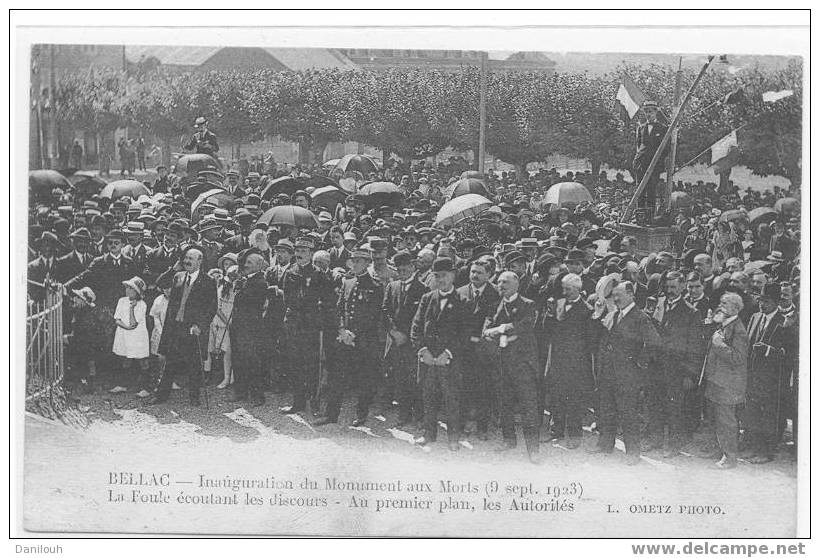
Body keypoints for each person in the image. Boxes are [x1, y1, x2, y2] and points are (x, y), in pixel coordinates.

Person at [588, 281, 660, 465]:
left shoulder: (640, 317)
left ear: (630, 294)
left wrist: (638, 365)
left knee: (629, 414)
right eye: (614, 296)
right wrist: (597, 315)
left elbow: (654, 343)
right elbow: (598, 338)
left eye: (619, 295)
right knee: (607, 411)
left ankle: (632, 452)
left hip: (628, 376)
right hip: (608, 373)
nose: (616, 299)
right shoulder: (612, 314)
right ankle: (605, 444)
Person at [316, 247, 384, 427]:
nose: (354, 264)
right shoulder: (347, 282)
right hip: (344, 338)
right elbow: (339, 309)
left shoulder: (376, 286)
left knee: (364, 380)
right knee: (337, 377)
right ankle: (331, 415)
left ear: (368, 264)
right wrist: (341, 330)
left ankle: (361, 415)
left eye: (359, 261)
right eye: (353, 261)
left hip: (364, 341)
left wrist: (354, 333)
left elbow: (373, 316)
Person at [484, 271, 542, 463]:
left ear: (516, 284)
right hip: (501, 363)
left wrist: (499, 329)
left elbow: (524, 327)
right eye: (499, 282)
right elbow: (485, 331)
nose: (501, 285)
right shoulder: (494, 306)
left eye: (506, 282)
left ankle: (533, 449)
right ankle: (509, 439)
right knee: (504, 405)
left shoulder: (528, 304)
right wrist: (498, 330)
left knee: (528, 406)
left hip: (523, 364)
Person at [411, 257, 468, 451]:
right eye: (437, 276)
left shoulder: (462, 300)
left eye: (444, 275)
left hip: (449, 361)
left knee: (452, 399)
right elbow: (416, 327)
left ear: (453, 276)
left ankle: (453, 438)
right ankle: (429, 435)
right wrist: (422, 350)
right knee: (428, 398)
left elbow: (465, 334)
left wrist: (448, 353)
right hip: (427, 360)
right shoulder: (428, 298)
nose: (440, 279)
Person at [646, 271, 704, 457]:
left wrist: (690, 374)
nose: (670, 291)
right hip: (656, 366)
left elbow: (695, 346)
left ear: (681, 287)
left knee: (675, 409)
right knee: (654, 404)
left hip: (677, 369)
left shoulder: (691, 312)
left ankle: (673, 445)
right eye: (667, 287)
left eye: (673, 287)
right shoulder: (657, 305)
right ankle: (655, 439)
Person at [150, 247, 217, 406]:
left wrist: (200, 325)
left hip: (192, 328)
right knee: (170, 363)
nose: (187, 261)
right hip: (175, 327)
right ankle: (161, 396)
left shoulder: (208, 281)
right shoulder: (178, 277)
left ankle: (194, 398)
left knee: (194, 364)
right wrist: (173, 268)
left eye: (191, 259)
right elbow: (160, 282)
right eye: (185, 258)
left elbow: (211, 307)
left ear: (200, 261)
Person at [279, 237, 336, 415]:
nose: (299, 254)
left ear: (311, 254)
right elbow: (286, 297)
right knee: (294, 364)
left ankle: (314, 402)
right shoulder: (290, 272)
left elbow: (328, 300)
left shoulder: (319, 274)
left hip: (312, 325)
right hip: (295, 324)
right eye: (298, 251)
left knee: (313, 366)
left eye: (304, 251)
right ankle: (298, 402)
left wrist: (319, 317)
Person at [543, 273, 595, 449]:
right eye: (563, 288)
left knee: (574, 400)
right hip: (557, 359)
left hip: (575, 363)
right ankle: (556, 431)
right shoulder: (558, 304)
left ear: (578, 289)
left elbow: (589, 340)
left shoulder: (587, 310)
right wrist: (549, 315)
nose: (564, 292)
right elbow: (547, 329)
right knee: (556, 397)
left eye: (568, 289)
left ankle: (574, 435)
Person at [702, 292, 749, 469]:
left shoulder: (739, 330)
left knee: (726, 422)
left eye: (725, 303)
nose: (720, 306)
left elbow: (738, 358)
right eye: (720, 302)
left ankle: (730, 458)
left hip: (727, 385)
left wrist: (719, 345)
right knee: (717, 419)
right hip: (716, 381)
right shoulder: (723, 325)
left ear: (735, 309)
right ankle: (722, 452)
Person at [742, 282, 788, 464]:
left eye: (767, 301)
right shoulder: (755, 317)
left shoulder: (784, 322)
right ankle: (754, 447)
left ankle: (766, 452)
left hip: (771, 379)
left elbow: (789, 353)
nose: (762, 304)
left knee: (768, 415)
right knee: (751, 412)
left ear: (777, 302)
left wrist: (769, 350)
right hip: (752, 375)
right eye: (761, 300)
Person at [456, 258, 501, 440]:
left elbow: (495, 320)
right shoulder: (459, 292)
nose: (474, 275)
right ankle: (464, 421)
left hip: (485, 350)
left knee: (484, 387)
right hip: (463, 349)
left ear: (489, 275)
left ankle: (482, 425)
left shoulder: (496, 294)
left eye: (479, 273)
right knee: (464, 386)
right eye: (473, 272)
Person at [381, 250, 427, 426]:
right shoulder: (392, 287)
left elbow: (422, 317)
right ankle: (404, 414)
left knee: (415, 379)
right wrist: (393, 332)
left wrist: (407, 336)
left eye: (406, 268)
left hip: (412, 343)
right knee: (399, 378)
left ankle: (419, 416)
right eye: (399, 269)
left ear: (413, 267)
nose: (403, 272)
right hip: (395, 340)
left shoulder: (423, 289)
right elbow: (385, 311)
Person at [229, 251, 269, 406]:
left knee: (252, 361)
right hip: (238, 325)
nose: (245, 265)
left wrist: (240, 287)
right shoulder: (245, 280)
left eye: (249, 263)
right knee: (238, 359)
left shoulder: (260, 282)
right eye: (245, 262)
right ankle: (241, 391)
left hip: (251, 328)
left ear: (259, 266)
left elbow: (249, 301)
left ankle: (257, 396)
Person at [110, 276, 150, 396]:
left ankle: (145, 388)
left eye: (130, 289)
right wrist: (125, 327)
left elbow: (133, 323)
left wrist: (132, 308)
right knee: (125, 359)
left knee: (142, 360)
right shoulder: (122, 300)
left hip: (137, 337)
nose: (127, 290)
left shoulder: (142, 305)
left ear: (137, 292)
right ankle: (123, 385)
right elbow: (117, 319)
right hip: (123, 334)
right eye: (127, 288)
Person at [633, 100, 669, 220]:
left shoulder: (663, 128)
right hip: (641, 163)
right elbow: (639, 146)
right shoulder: (641, 128)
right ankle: (640, 216)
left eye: (651, 111)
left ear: (656, 112)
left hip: (654, 164)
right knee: (640, 189)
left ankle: (650, 216)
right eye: (646, 111)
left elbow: (666, 148)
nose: (648, 114)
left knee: (651, 190)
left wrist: (658, 161)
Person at [205, 264, 237, 390]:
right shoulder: (222, 288)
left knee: (229, 352)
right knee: (221, 351)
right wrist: (227, 322)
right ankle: (222, 377)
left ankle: (230, 378)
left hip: (233, 324)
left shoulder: (239, 289)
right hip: (221, 323)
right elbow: (217, 308)